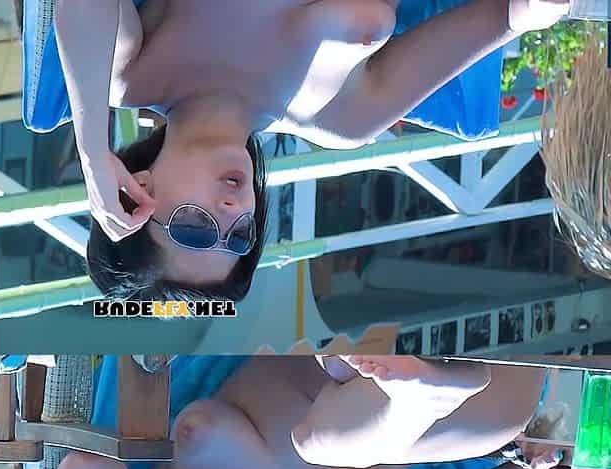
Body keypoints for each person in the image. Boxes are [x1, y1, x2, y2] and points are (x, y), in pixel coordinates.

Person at [49, 0, 570, 303]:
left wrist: (93, 149)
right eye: (238, 237)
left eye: (195, 228)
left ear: (140, 188)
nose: (230, 212)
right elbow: (508, 14)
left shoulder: (132, 74)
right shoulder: (343, 119)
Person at [57, 355, 568, 469]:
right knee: (319, 442)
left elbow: (83, 468)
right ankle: (408, 405)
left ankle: (407, 404)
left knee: (317, 439)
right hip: (478, 401)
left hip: (334, 366)